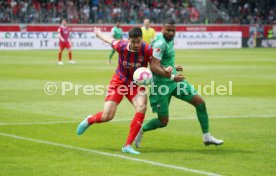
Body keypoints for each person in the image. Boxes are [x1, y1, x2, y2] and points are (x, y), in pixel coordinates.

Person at [135, 18, 224, 148]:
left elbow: (162, 62)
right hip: (161, 85)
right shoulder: (160, 43)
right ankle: (140, 131)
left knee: (200, 102)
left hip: (174, 81)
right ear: (162, 28)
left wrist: (174, 67)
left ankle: (206, 136)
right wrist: (172, 76)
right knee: (163, 121)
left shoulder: (168, 40)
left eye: (173, 30)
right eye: (168, 30)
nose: (171, 33)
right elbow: (154, 66)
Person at [76, 27, 152, 155]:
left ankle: (127, 145)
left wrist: (169, 69)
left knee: (142, 107)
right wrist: (99, 34)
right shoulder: (121, 46)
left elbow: (155, 63)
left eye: (138, 41)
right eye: (133, 42)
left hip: (136, 85)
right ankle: (90, 120)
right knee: (107, 116)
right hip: (119, 81)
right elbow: (109, 40)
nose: (136, 45)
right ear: (129, 40)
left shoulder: (147, 49)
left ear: (141, 40)